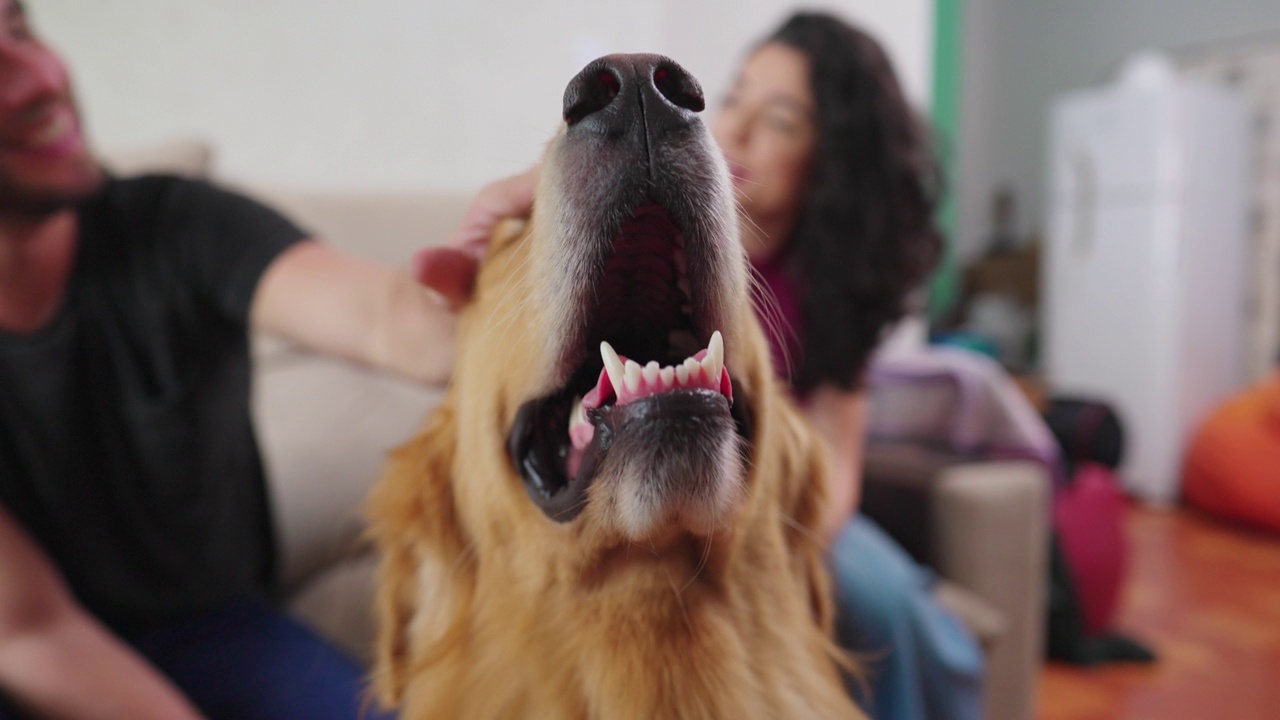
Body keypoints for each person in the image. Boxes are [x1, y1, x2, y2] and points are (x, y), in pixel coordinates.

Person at [0, 1, 530, 717]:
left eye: (19, 30)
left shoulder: (178, 224)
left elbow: (386, 320)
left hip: (216, 623)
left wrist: (491, 276)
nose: (38, 77)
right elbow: (32, 629)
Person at [710, 13, 984, 720]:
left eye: (780, 119)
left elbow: (835, 463)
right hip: (693, 491)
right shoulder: (675, 244)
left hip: (787, 508)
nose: (735, 130)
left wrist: (790, 552)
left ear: (831, 162)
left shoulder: (836, 281)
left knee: (898, 612)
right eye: (735, 96)